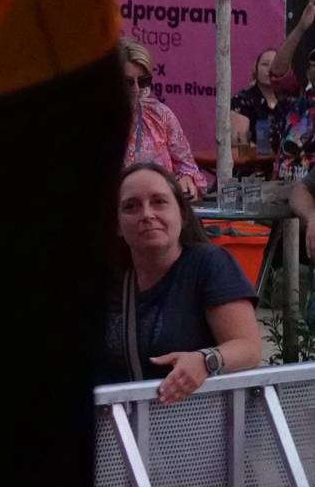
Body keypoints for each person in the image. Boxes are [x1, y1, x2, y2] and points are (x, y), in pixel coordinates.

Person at [103, 163, 261, 401]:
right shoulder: (112, 279)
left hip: (195, 426)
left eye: (159, 202)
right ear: (117, 225)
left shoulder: (209, 264)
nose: (147, 214)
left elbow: (249, 348)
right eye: (131, 207)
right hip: (122, 427)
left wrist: (205, 360)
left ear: (183, 214)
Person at [120, 38, 204, 199]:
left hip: (158, 211)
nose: (137, 89)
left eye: (144, 81)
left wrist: (186, 180)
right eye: (128, 82)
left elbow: (189, 169)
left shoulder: (160, 115)